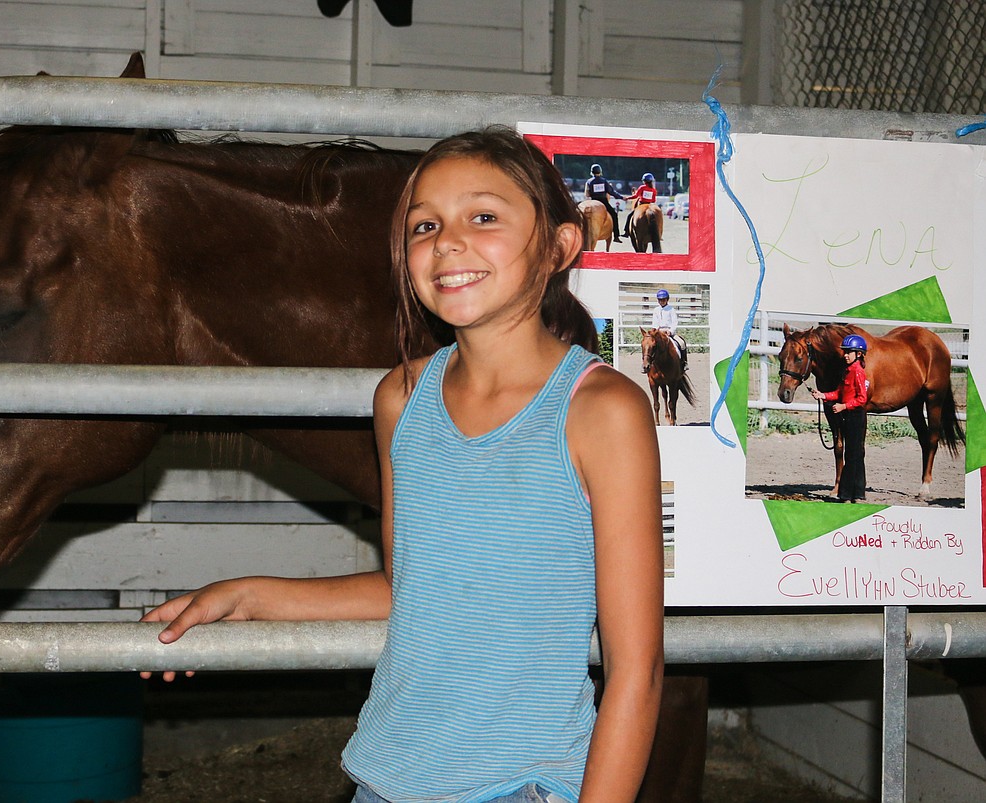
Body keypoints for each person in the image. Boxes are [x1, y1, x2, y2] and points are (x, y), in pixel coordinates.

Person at [141, 127, 664, 803]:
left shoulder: (601, 411)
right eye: (425, 224)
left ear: (560, 245)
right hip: (384, 779)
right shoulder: (401, 398)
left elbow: (638, 668)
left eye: (483, 216)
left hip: (521, 785)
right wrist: (250, 595)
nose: (447, 241)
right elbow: (411, 588)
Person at [810, 334, 869, 502]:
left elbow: (862, 398)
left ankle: (845, 494)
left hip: (855, 415)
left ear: (858, 354)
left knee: (851, 455)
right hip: (848, 415)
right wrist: (823, 395)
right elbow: (839, 393)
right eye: (845, 352)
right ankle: (857, 492)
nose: (845, 355)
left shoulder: (857, 372)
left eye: (849, 352)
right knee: (855, 453)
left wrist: (844, 406)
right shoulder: (847, 371)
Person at [583, 163, 624, 243]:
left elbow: (587, 194)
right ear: (600, 172)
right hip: (603, 202)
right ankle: (616, 236)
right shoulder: (604, 181)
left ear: (592, 172)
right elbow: (611, 192)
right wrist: (621, 197)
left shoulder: (589, 181)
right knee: (614, 215)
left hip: (593, 201)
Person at [648, 289, 686, 371]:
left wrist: (670, 331)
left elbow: (674, 322)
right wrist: (654, 331)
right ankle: (648, 363)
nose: (661, 301)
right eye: (660, 300)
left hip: (669, 332)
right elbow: (655, 322)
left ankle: (684, 362)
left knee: (682, 343)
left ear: (667, 299)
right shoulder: (656, 310)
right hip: (659, 332)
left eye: (663, 300)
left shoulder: (671, 310)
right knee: (649, 345)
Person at [623, 172, 658, 237]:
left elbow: (636, 196)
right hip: (649, 205)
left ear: (644, 181)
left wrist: (628, 198)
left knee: (629, 216)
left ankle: (626, 232)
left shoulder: (642, 187)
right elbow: (653, 200)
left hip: (641, 205)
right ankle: (658, 234)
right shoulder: (653, 190)